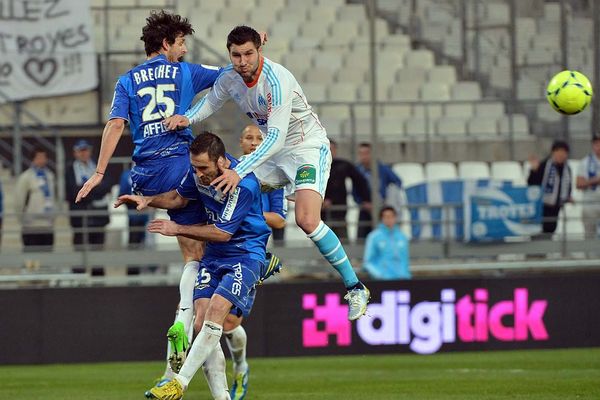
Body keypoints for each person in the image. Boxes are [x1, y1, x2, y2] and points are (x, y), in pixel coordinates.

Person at [164, 25, 370, 320]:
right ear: (230, 55)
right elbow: (211, 101)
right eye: (236, 55)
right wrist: (188, 117)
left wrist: (241, 169)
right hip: (275, 154)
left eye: (248, 53)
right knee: (226, 188)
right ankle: (261, 258)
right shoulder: (229, 78)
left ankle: (355, 287)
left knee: (306, 219)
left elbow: (273, 137)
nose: (242, 61)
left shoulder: (277, 80)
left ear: (259, 50)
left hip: (305, 149)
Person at [74, 10, 223, 374]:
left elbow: (115, 125)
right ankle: (188, 318)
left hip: (146, 173)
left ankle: (182, 323)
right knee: (230, 170)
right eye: (181, 42)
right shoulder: (186, 71)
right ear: (166, 43)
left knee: (191, 249)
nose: (184, 49)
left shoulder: (126, 80)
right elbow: (234, 74)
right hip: (179, 163)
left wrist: (98, 172)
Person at [117, 132, 270, 400]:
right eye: (195, 167)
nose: (198, 174)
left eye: (203, 168)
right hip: (214, 256)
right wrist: (148, 201)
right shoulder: (197, 173)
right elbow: (178, 199)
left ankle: (178, 382)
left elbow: (224, 233)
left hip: (244, 255)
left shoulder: (243, 184)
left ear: (222, 162)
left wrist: (177, 228)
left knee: (217, 312)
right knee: (200, 324)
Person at [221, 124, 286, 399]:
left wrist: (247, 211)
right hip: (221, 248)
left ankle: (240, 366)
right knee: (208, 316)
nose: (254, 142)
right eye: (249, 137)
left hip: (251, 252)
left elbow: (280, 219)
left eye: (260, 138)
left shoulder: (273, 175)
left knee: (229, 323)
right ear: (240, 141)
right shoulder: (232, 170)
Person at [66, 140, 111, 274]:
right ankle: (78, 279)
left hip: (97, 216)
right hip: (80, 217)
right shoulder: (70, 169)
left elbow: (107, 185)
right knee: (79, 249)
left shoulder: (98, 167)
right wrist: (95, 190)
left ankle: (98, 279)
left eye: (86, 150)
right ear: (75, 153)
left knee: (98, 249)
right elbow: (72, 191)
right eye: (81, 151)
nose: (84, 153)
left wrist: (86, 191)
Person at [322, 139, 371, 240]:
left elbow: (360, 180)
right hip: (319, 213)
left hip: (340, 212)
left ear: (336, 150)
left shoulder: (343, 165)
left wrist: (365, 200)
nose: (329, 152)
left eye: (332, 149)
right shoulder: (316, 166)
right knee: (321, 242)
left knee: (342, 241)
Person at [355, 142, 403, 239]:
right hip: (365, 209)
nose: (364, 156)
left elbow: (397, 182)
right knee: (362, 237)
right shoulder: (357, 170)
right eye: (361, 153)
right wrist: (362, 202)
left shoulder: (382, 169)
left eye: (366, 153)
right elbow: (354, 191)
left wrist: (385, 198)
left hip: (381, 208)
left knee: (382, 236)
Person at [15, 147, 56, 253]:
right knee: (32, 258)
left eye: (44, 157)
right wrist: (23, 219)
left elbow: (53, 198)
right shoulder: (26, 177)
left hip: (47, 225)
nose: (41, 160)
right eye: (39, 157)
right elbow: (19, 201)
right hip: (31, 225)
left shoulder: (50, 176)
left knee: (47, 257)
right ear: (33, 159)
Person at [528, 140, 572, 236]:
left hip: (556, 207)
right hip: (542, 207)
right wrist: (534, 171)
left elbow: (568, 186)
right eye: (558, 151)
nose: (561, 154)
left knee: (550, 232)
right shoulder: (544, 165)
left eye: (563, 152)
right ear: (553, 152)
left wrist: (568, 196)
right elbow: (532, 185)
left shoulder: (567, 169)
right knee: (538, 234)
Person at [363, 206, 410, 280]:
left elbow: (405, 259)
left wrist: (406, 274)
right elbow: (367, 262)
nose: (389, 219)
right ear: (381, 218)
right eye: (386, 217)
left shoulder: (402, 237)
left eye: (391, 216)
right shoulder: (374, 237)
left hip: (402, 279)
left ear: (395, 218)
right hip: (384, 281)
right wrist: (380, 275)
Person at [576, 136, 600, 238]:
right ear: (593, 145)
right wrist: (595, 180)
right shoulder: (585, 162)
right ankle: (589, 254)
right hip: (590, 203)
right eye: (597, 144)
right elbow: (579, 184)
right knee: (589, 234)